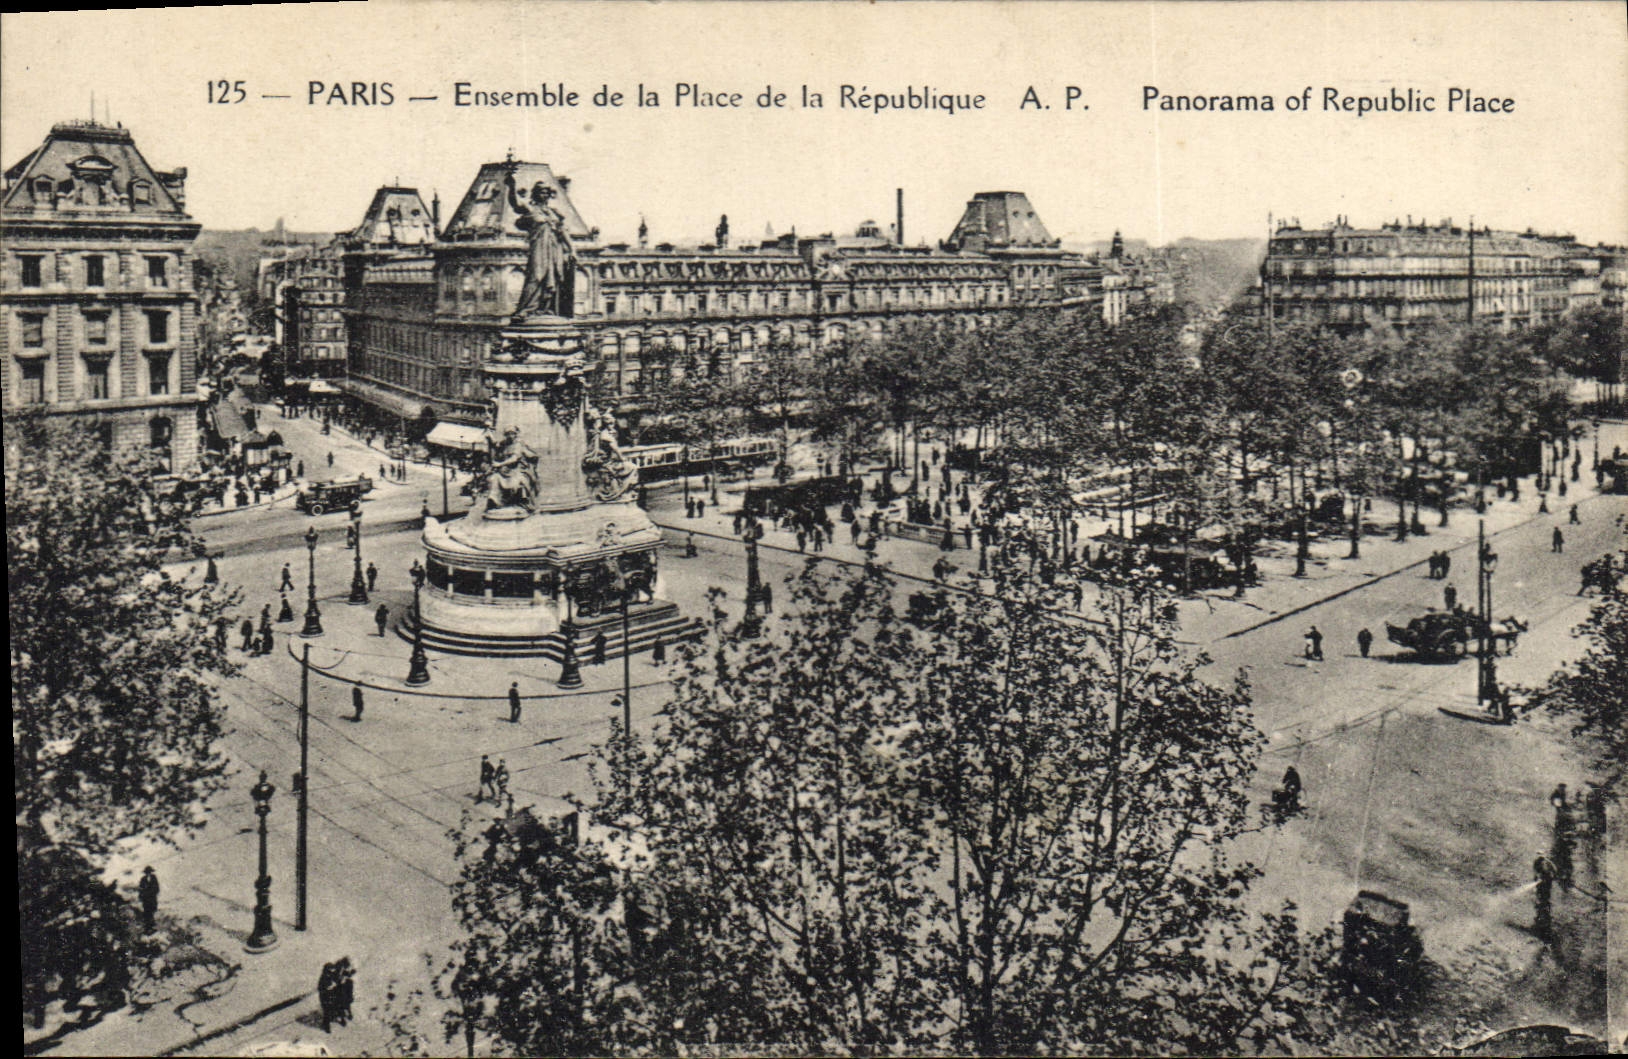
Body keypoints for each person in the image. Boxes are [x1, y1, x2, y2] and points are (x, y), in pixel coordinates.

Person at [137, 866, 160, 931]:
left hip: (152, 899)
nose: (148, 873)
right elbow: (140, 889)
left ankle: (152, 926)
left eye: (149, 872)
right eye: (147, 872)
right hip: (145, 900)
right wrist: (141, 896)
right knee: (146, 912)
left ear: (151, 872)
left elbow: (157, 888)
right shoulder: (143, 879)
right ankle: (147, 927)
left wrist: (150, 892)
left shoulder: (154, 878)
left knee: (152, 911)